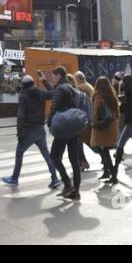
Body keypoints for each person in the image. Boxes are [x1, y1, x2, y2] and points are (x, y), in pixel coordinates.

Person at [2, 73, 60, 188]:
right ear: (33, 83)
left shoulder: (23, 96)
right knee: (46, 154)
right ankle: (54, 178)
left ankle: (14, 178)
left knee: (19, 153)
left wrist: (20, 133)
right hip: (40, 129)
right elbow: (54, 93)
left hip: (29, 129)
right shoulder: (41, 93)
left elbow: (21, 116)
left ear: (23, 85)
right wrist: (44, 82)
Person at [41, 67, 87, 200]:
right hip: (73, 125)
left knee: (54, 157)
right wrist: (44, 81)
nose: (52, 78)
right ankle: (76, 191)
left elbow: (54, 106)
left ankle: (67, 183)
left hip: (63, 126)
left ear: (59, 75)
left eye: (53, 76)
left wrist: (49, 123)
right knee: (74, 160)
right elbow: (54, 92)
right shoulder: (71, 87)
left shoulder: (61, 89)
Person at [89, 76, 120, 183]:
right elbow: (116, 113)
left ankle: (113, 175)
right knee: (104, 150)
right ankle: (108, 172)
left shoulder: (98, 97)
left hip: (101, 127)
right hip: (110, 126)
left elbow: (95, 112)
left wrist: (93, 123)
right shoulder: (112, 96)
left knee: (104, 151)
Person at [73, 70, 96, 172]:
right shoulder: (88, 85)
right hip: (89, 117)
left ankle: (83, 161)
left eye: (76, 79)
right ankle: (83, 161)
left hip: (85, 118)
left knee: (82, 142)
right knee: (83, 141)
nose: (75, 81)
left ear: (80, 79)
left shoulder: (82, 87)